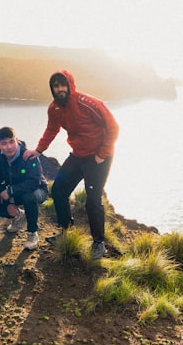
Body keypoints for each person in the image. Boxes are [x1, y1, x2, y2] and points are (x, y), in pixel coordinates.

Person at [23, 70, 119, 259]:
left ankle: (99, 243)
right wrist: (38, 150)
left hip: (98, 158)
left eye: (62, 85)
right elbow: (52, 129)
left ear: (70, 85)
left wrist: (102, 153)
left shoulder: (87, 103)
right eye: (56, 86)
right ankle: (66, 231)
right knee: (58, 190)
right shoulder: (54, 108)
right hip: (77, 156)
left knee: (93, 199)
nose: (60, 89)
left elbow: (113, 127)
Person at [0, 126, 48, 251]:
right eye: (4, 143)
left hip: (38, 190)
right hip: (15, 191)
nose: (9, 147)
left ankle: (32, 233)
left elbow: (34, 182)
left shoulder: (29, 157)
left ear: (16, 140)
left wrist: (11, 192)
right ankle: (18, 216)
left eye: (12, 142)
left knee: (29, 197)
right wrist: (3, 193)